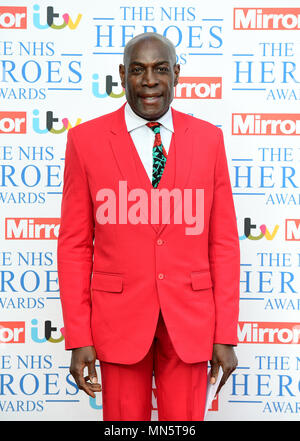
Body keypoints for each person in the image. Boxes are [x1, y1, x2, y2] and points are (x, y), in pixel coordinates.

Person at [57, 32, 240, 421]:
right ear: (123, 75)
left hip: (190, 322)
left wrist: (224, 333)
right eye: (138, 70)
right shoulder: (85, 141)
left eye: (160, 69)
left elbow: (222, 242)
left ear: (177, 74)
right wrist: (79, 337)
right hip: (117, 321)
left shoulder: (209, 140)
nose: (150, 81)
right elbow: (74, 246)